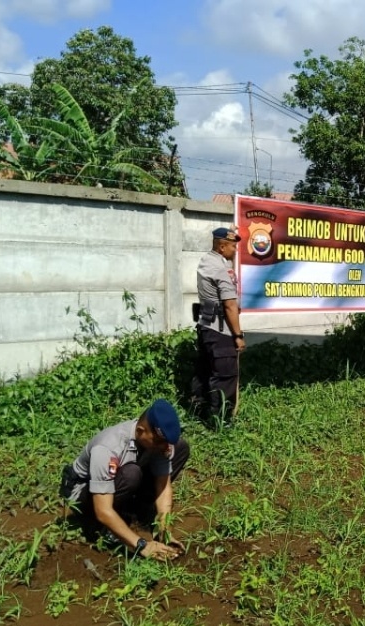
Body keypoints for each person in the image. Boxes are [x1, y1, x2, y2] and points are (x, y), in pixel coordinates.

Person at [59, 400, 189, 561]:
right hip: (84, 494)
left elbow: (164, 486)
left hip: (116, 483)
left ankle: (136, 511)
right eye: (159, 441)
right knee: (130, 474)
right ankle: (100, 529)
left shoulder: (156, 443)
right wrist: (142, 545)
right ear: (141, 431)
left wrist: (165, 530)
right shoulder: (108, 448)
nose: (164, 446)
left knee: (181, 447)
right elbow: (103, 510)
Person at [190, 226, 245, 425]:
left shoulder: (207, 261)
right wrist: (238, 335)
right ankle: (220, 421)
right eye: (232, 246)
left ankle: (198, 410)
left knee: (205, 370)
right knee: (225, 375)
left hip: (206, 326)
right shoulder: (220, 269)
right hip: (220, 329)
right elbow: (230, 305)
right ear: (222, 247)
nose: (235, 250)